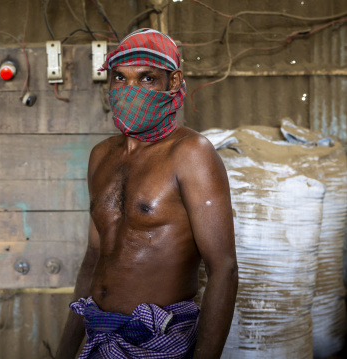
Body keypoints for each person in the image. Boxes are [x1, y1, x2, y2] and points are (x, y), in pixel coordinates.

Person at [56, 28, 238, 359]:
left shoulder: (191, 153)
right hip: (100, 333)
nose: (129, 90)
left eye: (146, 79)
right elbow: (94, 257)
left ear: (173, 82)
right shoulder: (101, 155)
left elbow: (223, 268)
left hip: (159, 339)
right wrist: (65, 352)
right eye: (120, 79)